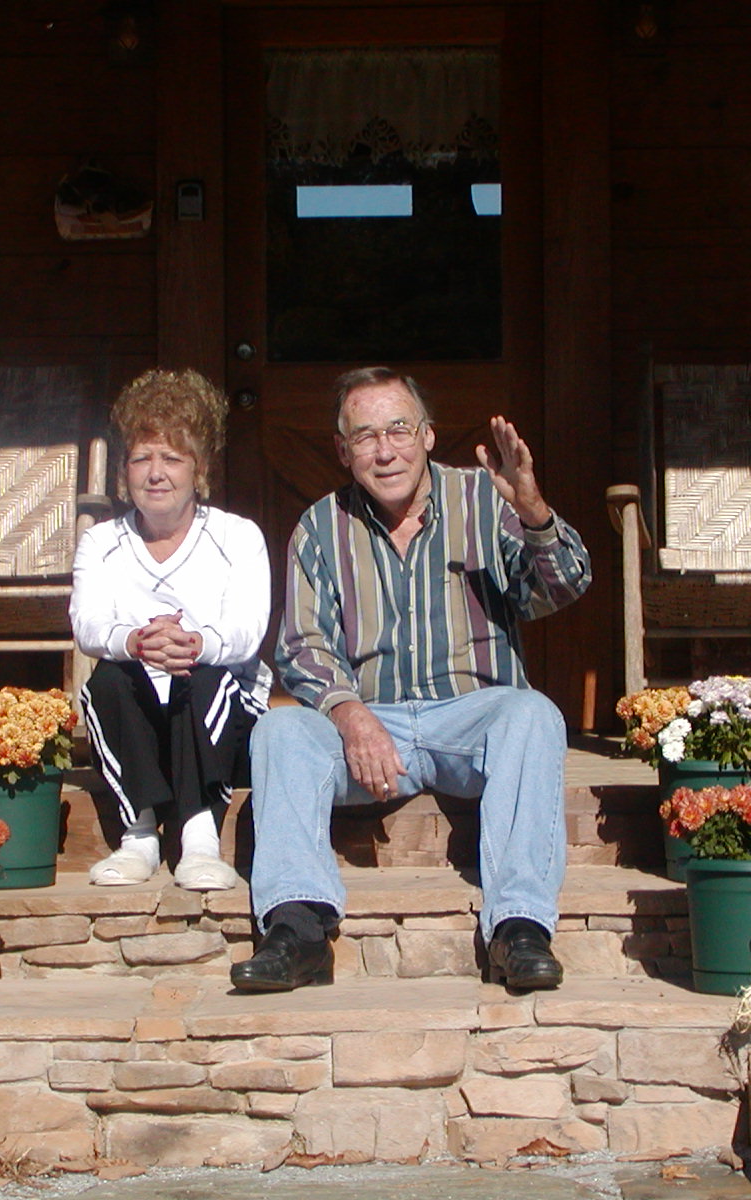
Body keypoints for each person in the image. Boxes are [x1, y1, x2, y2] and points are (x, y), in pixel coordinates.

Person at [230, 366, 591, 992]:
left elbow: (560, 588)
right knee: (280, 732)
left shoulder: (484, 498)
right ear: (343, 451)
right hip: (372, 729)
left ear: (427, 435)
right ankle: (298, 931)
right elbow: (300, 644)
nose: (385, 448)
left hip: (471, 718)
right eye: (365, 435)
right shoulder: (321, 526)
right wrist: (350, 714)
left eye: (399, 428)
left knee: (533, 714)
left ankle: (519, 930)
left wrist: (533, 511)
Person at [70, 368, 272, 891]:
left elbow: (248, 631)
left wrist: (196, 643)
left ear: (199, 469)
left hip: (219, 710)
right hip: (139, 709)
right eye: (142, 458)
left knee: (203, 674)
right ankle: (138, 834)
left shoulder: (237, 536)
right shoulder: (102, 543)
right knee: (110, 678)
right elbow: (88, 625)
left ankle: (198, 833)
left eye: (172, 458)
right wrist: (136, 641)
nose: (155, 473)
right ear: (124, 469)